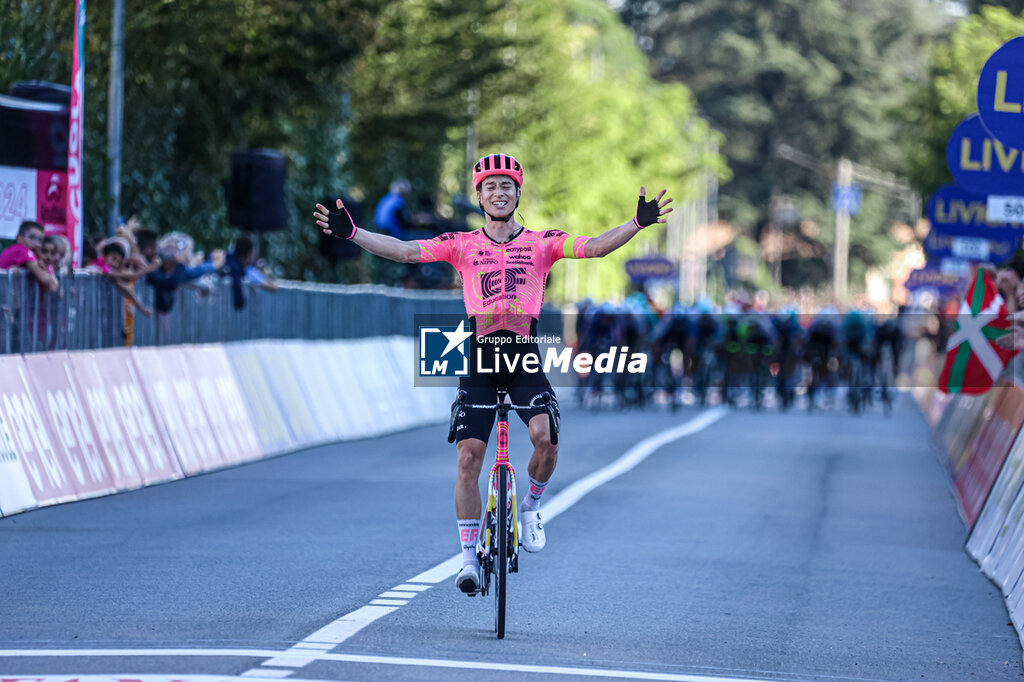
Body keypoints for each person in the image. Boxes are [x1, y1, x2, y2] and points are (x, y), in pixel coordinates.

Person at [314, 153, 672, 594]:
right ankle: (467, 559)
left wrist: (635, 225)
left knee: (547, 439)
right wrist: (353, 233)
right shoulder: (461, 243)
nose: (498, 193)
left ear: (518, 193)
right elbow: (405, 251)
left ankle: (532, 506)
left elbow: (594, 246)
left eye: (507, 186)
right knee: (468, 458)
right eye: (489, 187)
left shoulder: (543, 242)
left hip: (523, 356)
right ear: (480, 196)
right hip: (480, 359)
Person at [0, 221, 58, 292]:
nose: (36, 243)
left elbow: (52, 287)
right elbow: (46, 281)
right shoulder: (22, 250)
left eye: (40, 240)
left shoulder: (24, 251)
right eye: (32, 237)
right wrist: (42, 267)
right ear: (19, 238)